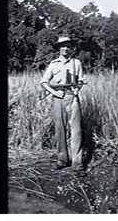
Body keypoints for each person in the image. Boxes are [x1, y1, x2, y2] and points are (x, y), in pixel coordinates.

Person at [40, 36, 86, 175]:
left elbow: (81, 80)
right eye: (63, 46)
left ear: (71, 48)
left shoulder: (76, 63)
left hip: (72, 97)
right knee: (60, 130)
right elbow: (44, 82)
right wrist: (55, 92)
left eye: (68, 46)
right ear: (58, 49)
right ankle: (62, 160)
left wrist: (77, 89)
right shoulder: (53, 64)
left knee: (76, 130)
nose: (65, 48)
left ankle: (77, 164)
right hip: (58, 98)